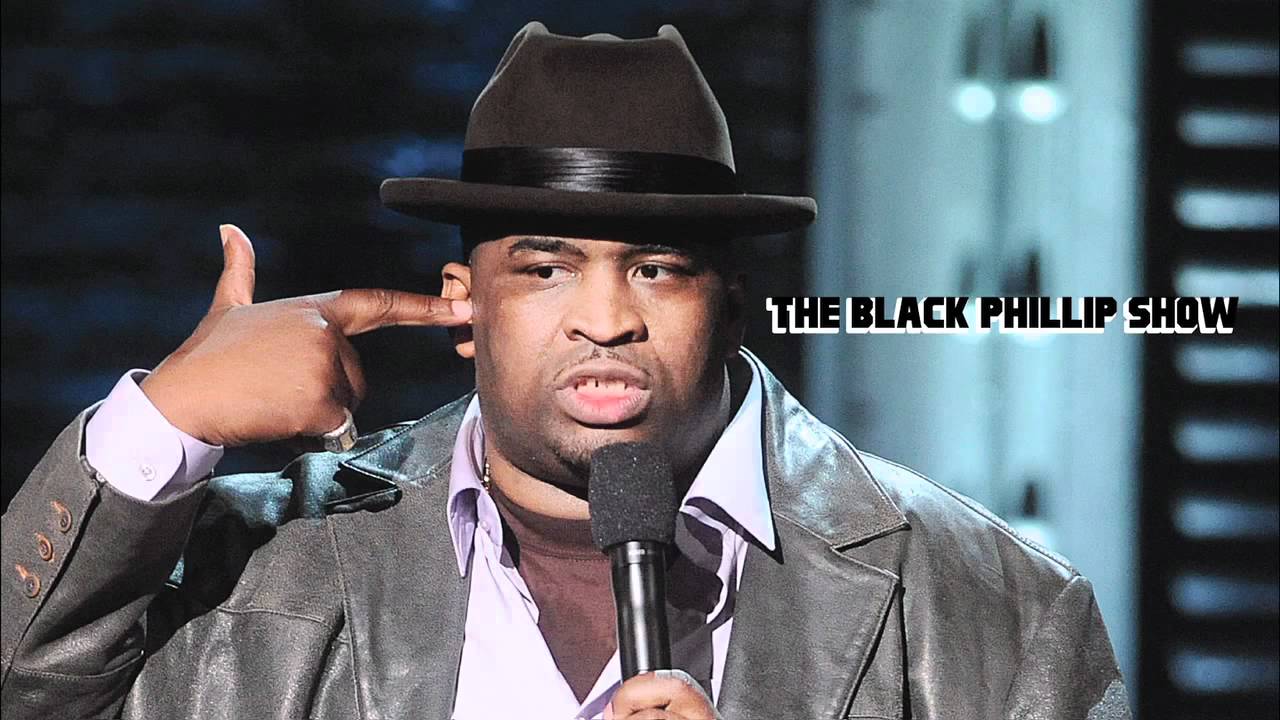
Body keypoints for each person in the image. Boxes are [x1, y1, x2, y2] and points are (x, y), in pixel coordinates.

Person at [0, 22, 1130, 720]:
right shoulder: (259, 568)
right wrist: (164, 422)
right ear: (466, 305)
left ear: (729, 302)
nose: (603, 320)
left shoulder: (994, 607)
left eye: (656, 269)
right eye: (544, 268)